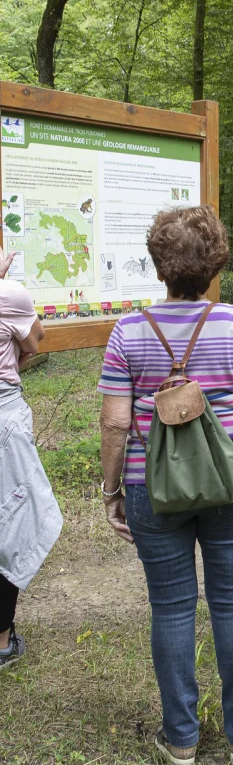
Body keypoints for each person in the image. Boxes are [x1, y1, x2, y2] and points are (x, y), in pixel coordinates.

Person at [98, 206, 233, 765]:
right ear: (214, 264)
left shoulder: (128, 331)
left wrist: (111, 489)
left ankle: (180, 737)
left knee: (172, 608)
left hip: (151, 488)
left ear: (160, 265)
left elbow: (114, 422)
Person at [0, 249, 63, 668]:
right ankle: (2, 640)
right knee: (12, 523)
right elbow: (34, 342)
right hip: (3, 417)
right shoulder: (9, 295)